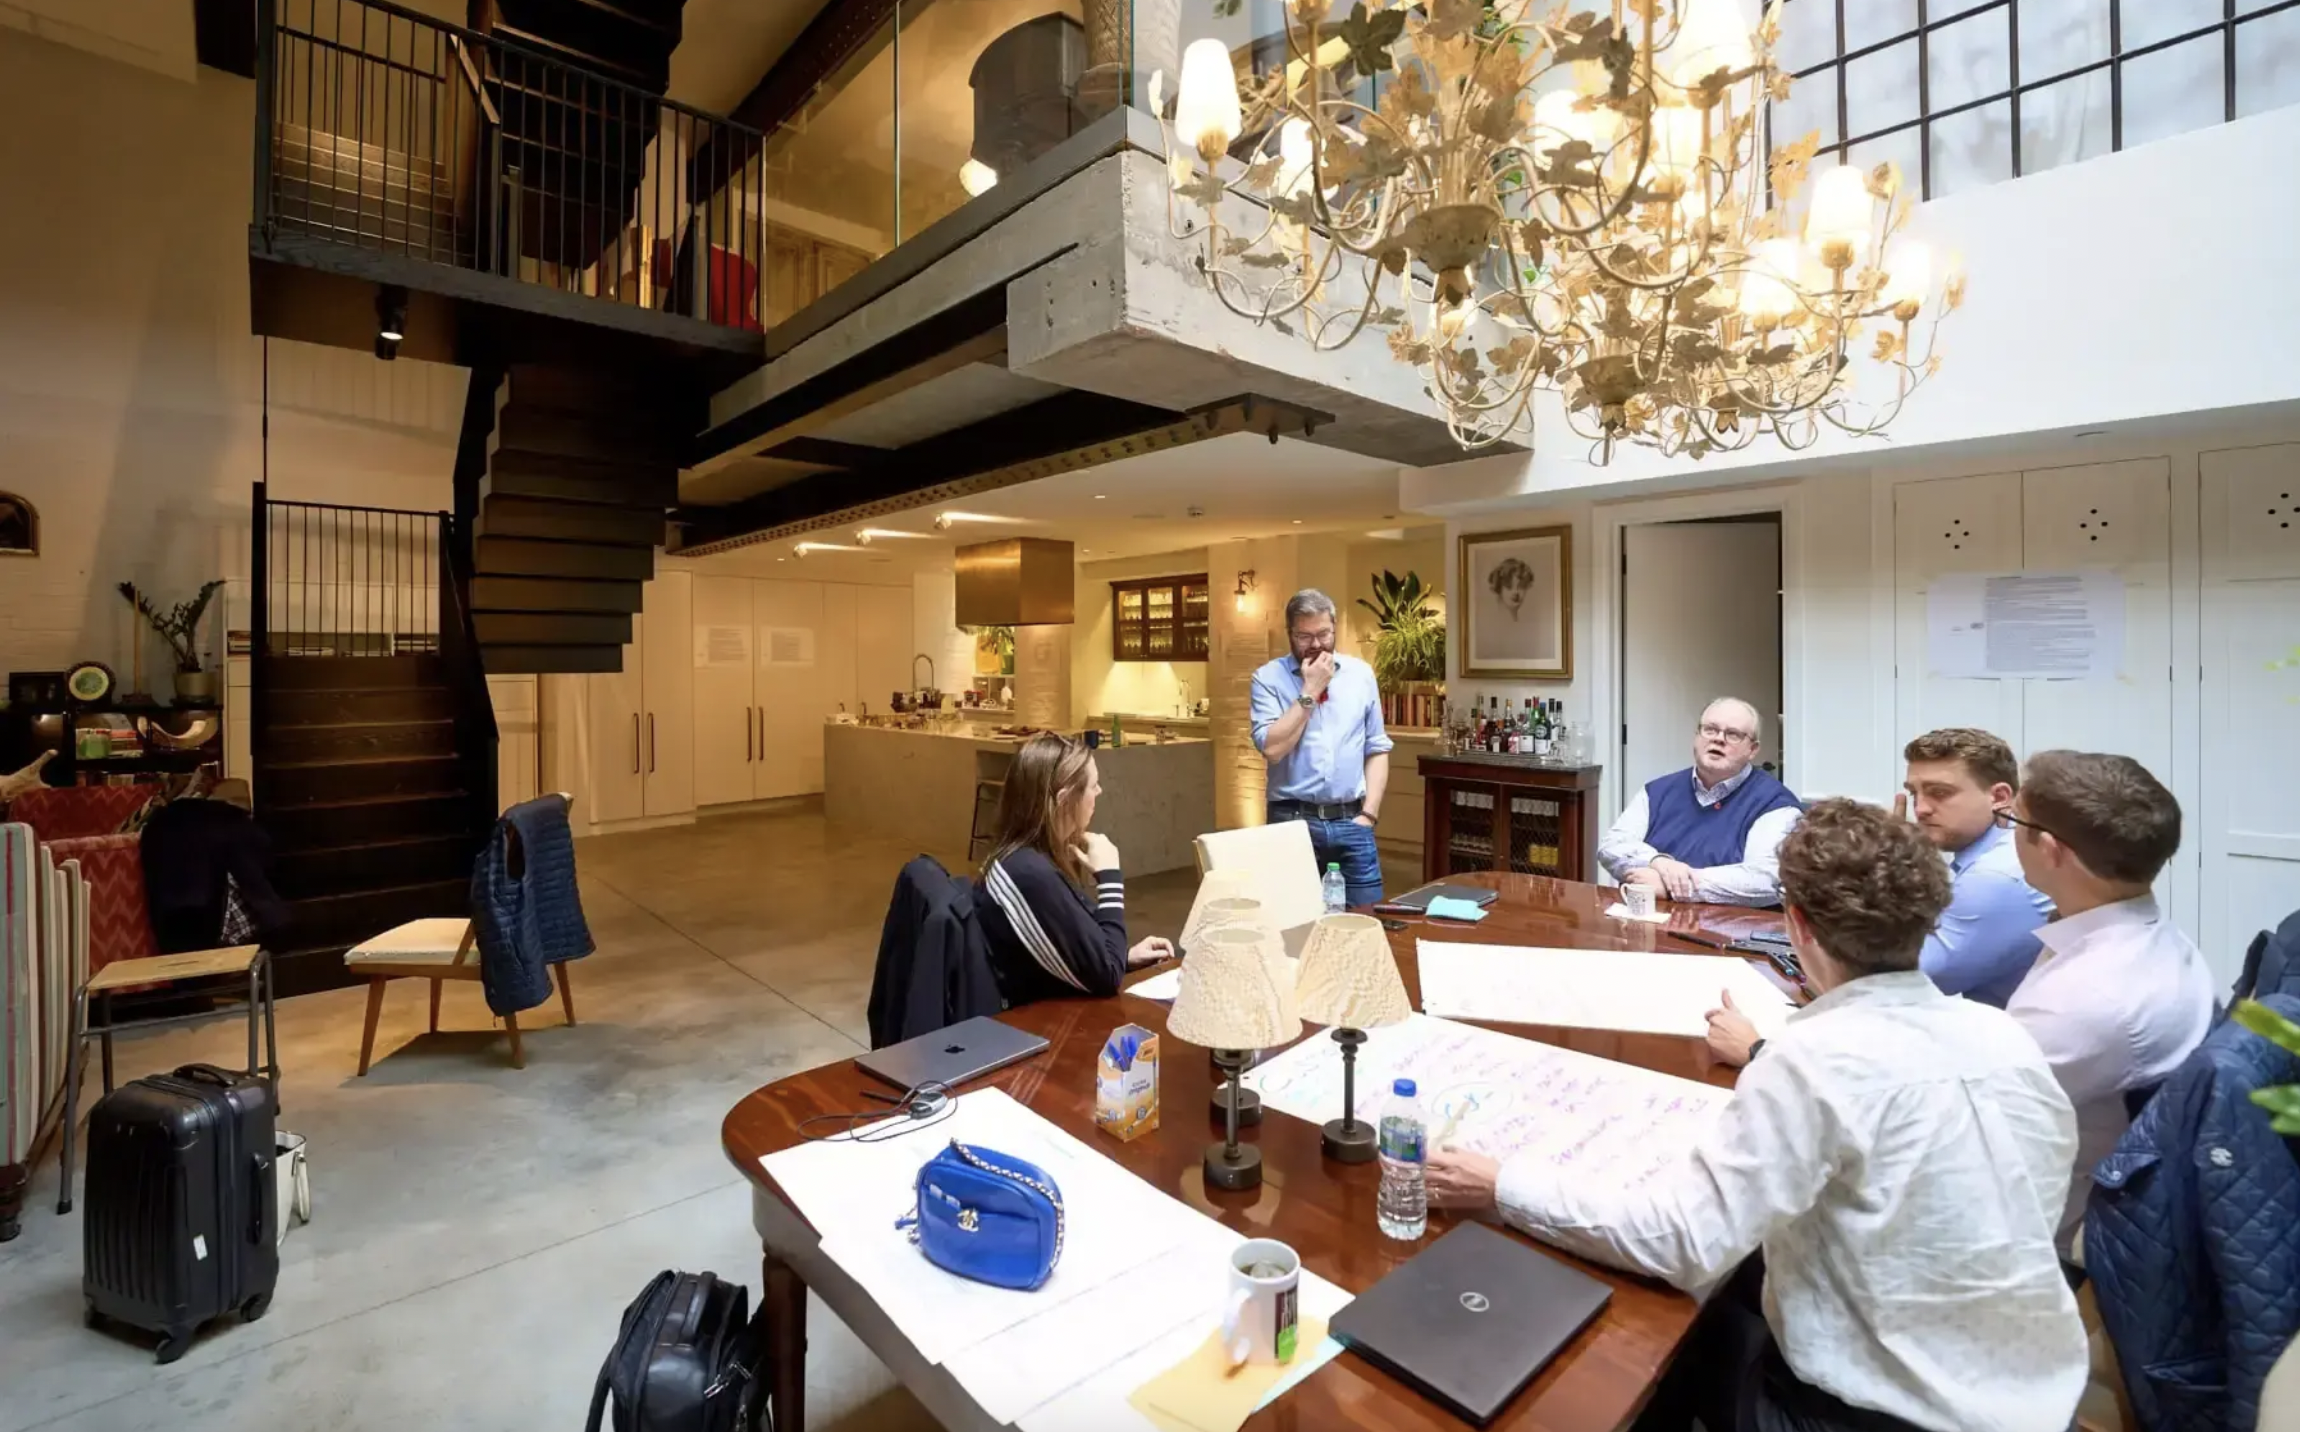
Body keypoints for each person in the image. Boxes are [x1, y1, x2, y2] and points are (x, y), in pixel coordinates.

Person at [1426, 799, 2088, 1432]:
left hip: (1867, 1413)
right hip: (2034, 1395)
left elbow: (1683, 1243)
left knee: (1644, 1346)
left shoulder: (1813, 1056)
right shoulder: (2005, 1036)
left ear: (1795, 923)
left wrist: (1499, 1184)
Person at [2002, 749, 2215, 1253]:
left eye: (2012, 820)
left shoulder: (2083, 1001)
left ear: (2049, 848)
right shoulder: (2152, 938)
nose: (2006, 831)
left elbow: (1971, 1121)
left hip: (2049, 1233)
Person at [975, 733, 1173, 1004]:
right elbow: (1106, 975)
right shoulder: (1029, 875)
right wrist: (1110, 879)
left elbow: (1083, 946)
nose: (1099, 792)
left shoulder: (1025, 859)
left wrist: (1123, 956)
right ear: (1065, 799)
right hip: (1033, 1021)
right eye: (1093, 785)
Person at [1248, 588, 1393, 905]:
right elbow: (1273, 749)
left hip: (1353, 822)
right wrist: (1311, 689)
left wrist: (1369, 814)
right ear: (1289, 633)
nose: (1316, 644)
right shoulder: (1267, 679)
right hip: (1292, 821)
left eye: (1323, 634)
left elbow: (1377, 748)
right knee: (1293, 919)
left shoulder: (1360, 675)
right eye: (1304, 636)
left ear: (1335, 628)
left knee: (1367, 919)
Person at [1597, 697, 1801, 906]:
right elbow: (1612, 846)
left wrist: (1674, 886)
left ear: (1753, 750)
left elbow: (1765, 880)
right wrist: (1657, 862)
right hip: (1650, 920)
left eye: (1733, 734)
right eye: (1710, 729)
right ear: (1697, 736)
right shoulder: (1656, 791)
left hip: (1730, 925)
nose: (1718, 739)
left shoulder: (1776, 804)